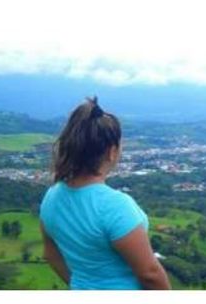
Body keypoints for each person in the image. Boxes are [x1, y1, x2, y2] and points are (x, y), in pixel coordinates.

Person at [39, 97, 170, 290]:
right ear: (111, 151)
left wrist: (81, 284)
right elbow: (149, 274)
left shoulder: (52, 197)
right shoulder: (115, 206)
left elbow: (51, 255)